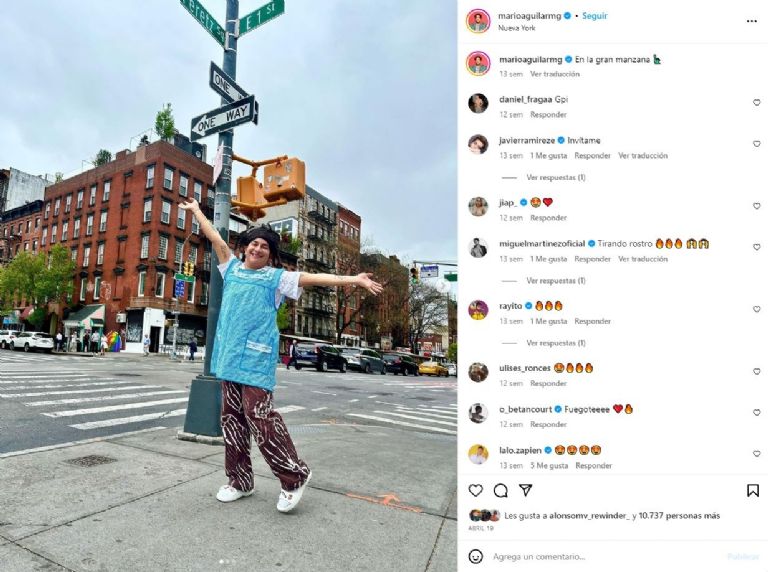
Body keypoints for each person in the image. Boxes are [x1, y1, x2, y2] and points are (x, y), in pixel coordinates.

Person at [179, 198, 383, 512]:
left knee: (260, 418)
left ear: (271, 255)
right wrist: (195, 212)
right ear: (245, 248)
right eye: (254, 243)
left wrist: (354, 280)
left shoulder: (277, 278)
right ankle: (240, 481)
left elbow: (314, 278)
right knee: (232, 421)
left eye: (265, 246)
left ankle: (294, 476)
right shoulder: (230, 269)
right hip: (228, 360)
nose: (258, 248)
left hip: (256, 362)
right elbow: (216, 239)